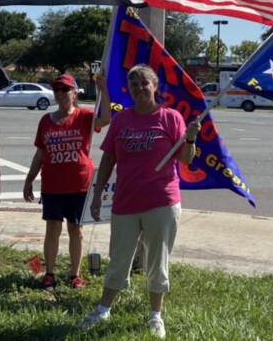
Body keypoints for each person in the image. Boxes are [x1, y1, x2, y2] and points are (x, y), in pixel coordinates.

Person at [79, 64, 200, 339]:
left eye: (144, 83)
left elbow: (185, 159)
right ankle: (103, 309)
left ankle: (155, 315)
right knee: (119, 258)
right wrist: (96, 196)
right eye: (134, 84)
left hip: (162, 200)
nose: (139, 88)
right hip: (125, 201)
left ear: (155, 87)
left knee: (158, 260)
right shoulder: (122, 120)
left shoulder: (170, 118)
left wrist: (190, 138)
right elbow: (109, 159)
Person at [22, 73, 110, 291]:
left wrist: (103, 91)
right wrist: (29, 179)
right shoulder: (46, 120)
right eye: (57, 90)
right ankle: (49, 275)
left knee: (75, 229)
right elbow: (40, 153)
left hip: (79, 183)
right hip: (53, 184)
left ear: (74, 93)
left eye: (65, 90)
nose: (60, 93)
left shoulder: (84, 116)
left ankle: (75, 275)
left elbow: (106, 119)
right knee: (52, 228)